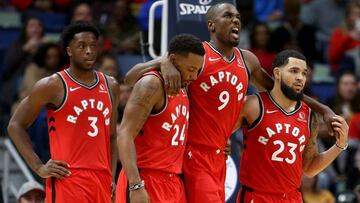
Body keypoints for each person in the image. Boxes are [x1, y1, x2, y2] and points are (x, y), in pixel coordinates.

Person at [124, 3, 336, 202]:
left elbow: (279, 89)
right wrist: (164, 61)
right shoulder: (198, 55)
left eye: (238, 17)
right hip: (192, 153)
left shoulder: (247, 60)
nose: (235, 20)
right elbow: (131, 77)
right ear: (211, 25)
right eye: (227, 16)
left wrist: (321, 108)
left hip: (219, 157)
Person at [7, 21, 120, 202]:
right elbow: (15, 125)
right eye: (81, 46)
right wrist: (38, 167)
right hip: (68, 179)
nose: (89, 51)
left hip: (102, 180)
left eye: (93, 46)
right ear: (69, 51)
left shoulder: (111, 85)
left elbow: (112, 136)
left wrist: (112, 177)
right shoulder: (52, 85)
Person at [235, 50, 348, 203]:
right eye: (294, 71)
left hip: (292, 198)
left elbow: (309, 168)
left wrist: (340, 145)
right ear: (277, 73)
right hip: (257, 196)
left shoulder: (309, 117)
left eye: (304, 73)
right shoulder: (252, 105)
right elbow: (220, 134)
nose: (300, 78)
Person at [115, 34, 205, 203]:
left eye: (197, 70)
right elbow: (124, 134)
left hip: (173, 181)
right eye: (191, 69)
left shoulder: (182, 85)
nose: (194, 76)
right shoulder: (152, 84)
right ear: (173, 59)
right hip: (145, 178)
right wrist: (135, 185)